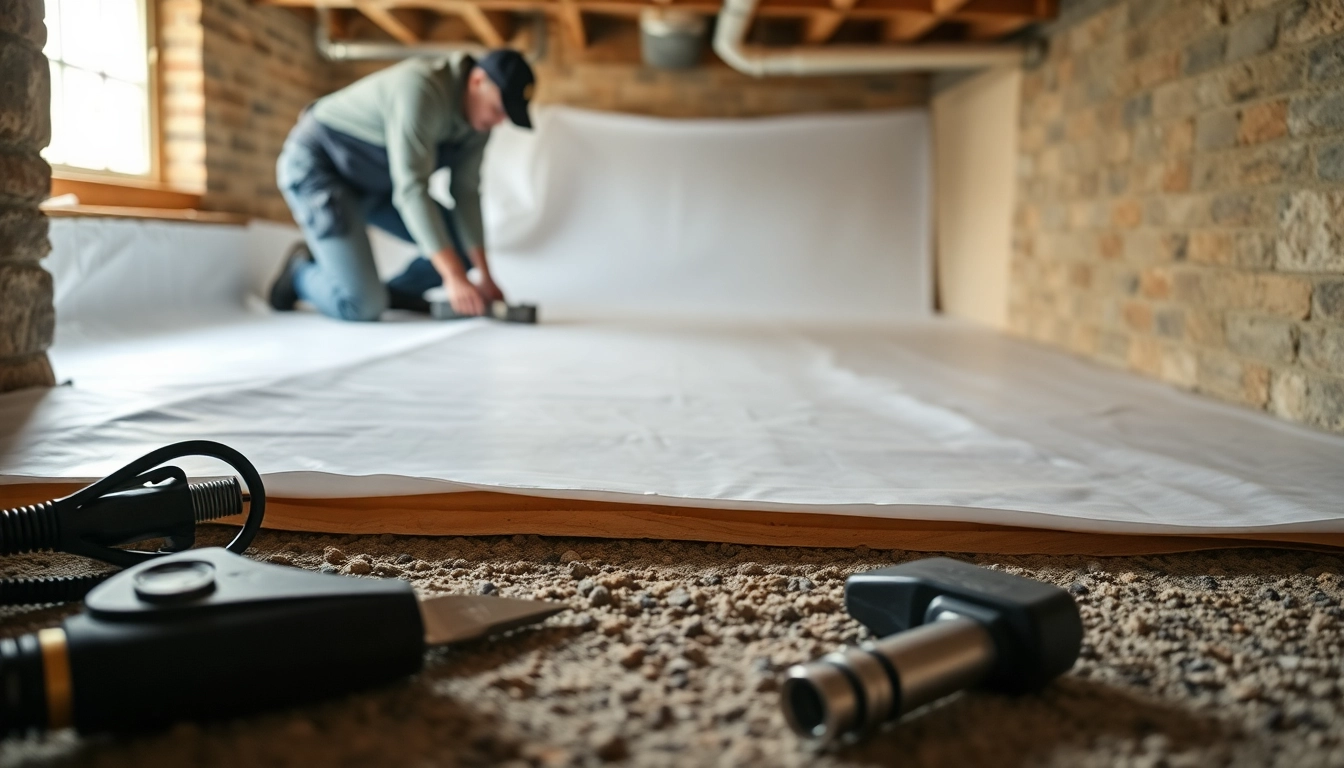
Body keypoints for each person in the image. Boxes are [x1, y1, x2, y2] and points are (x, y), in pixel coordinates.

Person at [269, 49, 535, 320]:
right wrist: (452, 276)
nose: (500, 121)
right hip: (322, 170)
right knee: (362, 306)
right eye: (499, 109)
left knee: (459, 247)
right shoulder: (423, 89)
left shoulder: (479, 125)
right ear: (478, 81)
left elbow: (466, 193)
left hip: (377, 184)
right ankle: (299, 272)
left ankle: (392, 294)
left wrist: (485, 276)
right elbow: (412, 189)